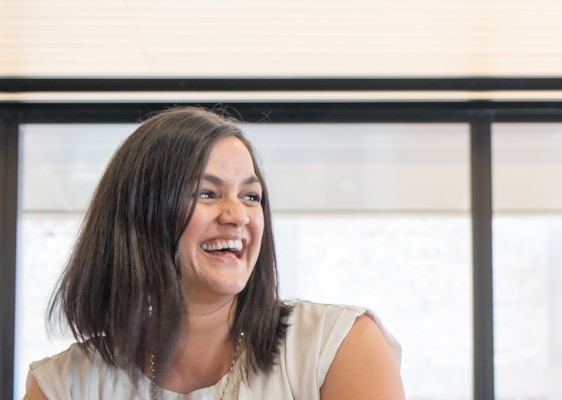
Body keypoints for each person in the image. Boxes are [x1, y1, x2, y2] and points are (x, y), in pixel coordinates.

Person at [23, 107, 404, 399]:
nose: (237, 215)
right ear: (141, 214)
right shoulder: (63, 386)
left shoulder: (336, 346)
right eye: (207, 193)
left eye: (250, 196)